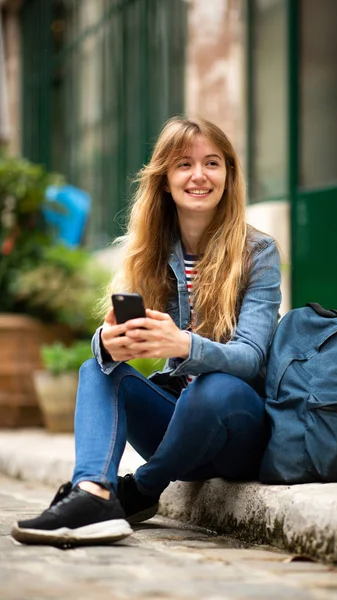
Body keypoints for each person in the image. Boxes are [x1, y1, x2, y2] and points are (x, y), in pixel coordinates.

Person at [11, 117, 282, 546]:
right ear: (165, 180)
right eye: (184, 165)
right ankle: (93, 492)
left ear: (228, 175)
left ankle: (140, 489)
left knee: (212, 389)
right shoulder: (150, 252)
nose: (199, 175)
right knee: (96, 367)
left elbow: (252, 359)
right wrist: (108, 342)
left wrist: (183, 344)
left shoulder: (258, 252)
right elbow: (112, 349)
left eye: (212, 163)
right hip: (177, 429)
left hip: (236, 430)